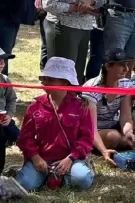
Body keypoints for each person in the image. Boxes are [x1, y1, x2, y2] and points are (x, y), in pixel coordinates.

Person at [16, 57, 95, 192]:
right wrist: (35, 157)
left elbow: (86, 139)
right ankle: (49, 174)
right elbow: (25, 138)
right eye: (44, 78)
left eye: (50, 79)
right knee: (24, 185)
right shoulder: (34, 107)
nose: (45, 82)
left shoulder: (81, 107)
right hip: (42, 160)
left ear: (65, 82)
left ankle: (66, 173)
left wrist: (71, 158)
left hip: (71, 160)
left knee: (83, 180)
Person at [83, 49, 135, 159]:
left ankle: (128, 141)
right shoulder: (91, 89)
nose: (126, 69)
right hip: (92, 131)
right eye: (121, 65)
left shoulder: (126, 85)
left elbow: (126, 117)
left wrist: (128, 132)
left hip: (113, 126)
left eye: (127, 64)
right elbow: (90, 127)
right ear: (108, 66)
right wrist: (104, 151)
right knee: (114, 136)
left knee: (127, 134)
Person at [0, 49, 18, 174]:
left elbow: (12, 99)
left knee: (20, 137)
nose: (2, 63)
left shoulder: (5, 80)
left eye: (3, 60)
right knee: (1, 139)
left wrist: (10, 115)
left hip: (4, 118)